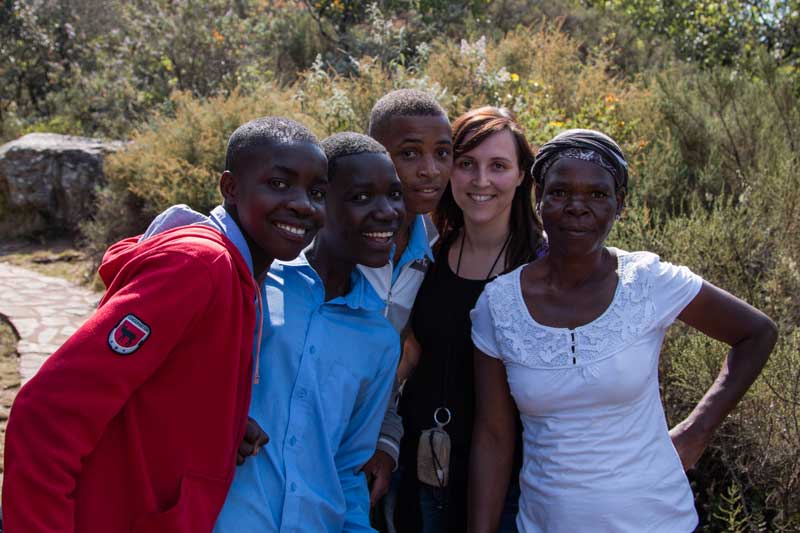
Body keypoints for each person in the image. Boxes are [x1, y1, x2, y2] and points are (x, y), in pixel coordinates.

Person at [1, 117, 328, 532]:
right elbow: (46, 414)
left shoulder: (243, 277)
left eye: (317, 192)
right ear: (230, 188)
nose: (303, 204)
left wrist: (220, 422)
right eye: (279, 184)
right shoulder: (199, 267)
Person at [468, 128, 779, 532]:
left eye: (598, 194)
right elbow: (492, 437)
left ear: (621, 205)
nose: (577, 207)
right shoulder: (498, 306)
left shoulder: (647, 280)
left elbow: (757, 333)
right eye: (560, 192)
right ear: (539, 198)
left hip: (660, 520)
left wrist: (695, 432)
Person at [214, 132, 405, 531]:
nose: (387, 212)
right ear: (320, 201)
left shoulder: (380, 340)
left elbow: (348, 468)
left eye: (394, 195)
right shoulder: (251, 284)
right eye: (361, 197)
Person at [396, 106, 545, 533]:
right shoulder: (427, 251)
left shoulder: (542, 264)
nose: (481, 181)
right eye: (466, 164)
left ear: (521, 176)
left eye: (498, 166)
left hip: (507, 482)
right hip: (419, 465)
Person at [357, 89, 453, 519]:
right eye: (409, 153)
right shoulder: (325, 240)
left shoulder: (434, 246)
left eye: (443, 153)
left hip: (362, 456)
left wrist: (384, 442)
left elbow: (393, 367)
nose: (430, 170)